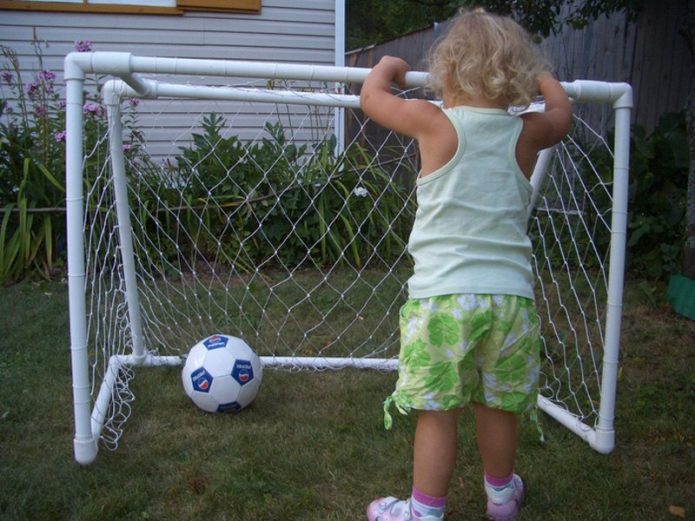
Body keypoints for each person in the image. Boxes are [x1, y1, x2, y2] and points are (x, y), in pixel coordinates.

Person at [359, 8, 572, 521]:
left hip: (442, 300)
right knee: (499, 404)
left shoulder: (434, 122)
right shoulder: (525, 133)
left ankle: (424, 512)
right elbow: (561, 115)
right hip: (510, 302)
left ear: (446, 73)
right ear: (516, 76)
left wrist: (387, 67)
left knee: (438, 411)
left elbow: (371, 99)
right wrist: (546, 80)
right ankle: (501, 498)